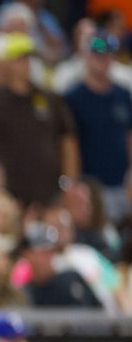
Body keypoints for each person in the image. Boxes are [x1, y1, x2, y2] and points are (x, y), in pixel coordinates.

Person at [0, 33, 79, 207]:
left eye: (28, 58)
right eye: (19, 58)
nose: (25, 63)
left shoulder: (51, 100)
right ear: (7, 62)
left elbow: (68, 144)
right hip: (3, 200)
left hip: (47, 198)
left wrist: (68, 186)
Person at [64, 31, 132, 224]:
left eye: (108, 54)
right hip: (90, 185)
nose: (103, 59)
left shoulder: (123, 94)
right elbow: (70, 144)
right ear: (86, 56)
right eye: (97, 54)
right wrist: (74, 184)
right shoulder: (74, 97)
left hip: (121, 182)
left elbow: (129, 136)